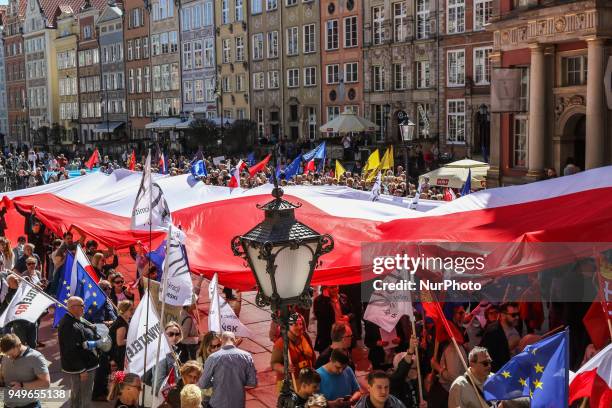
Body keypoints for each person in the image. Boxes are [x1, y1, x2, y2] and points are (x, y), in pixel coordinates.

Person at [58, 296, 103, 408]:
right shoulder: (68, 324)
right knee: (82, 397)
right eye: (82, 305)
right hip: (83, 368)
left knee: (79, 395)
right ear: (73, 308)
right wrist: (81, 369)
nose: (84, 308)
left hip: (87, 365)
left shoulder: (76, 319)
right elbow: (71, 350)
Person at [198, 331, 257, 408]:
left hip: (217, 403)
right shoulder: (247, 356)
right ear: (235, 340)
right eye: (213, 346)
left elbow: (203, 384)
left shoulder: (213, 358)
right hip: (238, 403)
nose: (216, 348)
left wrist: (218, 381)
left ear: (221, 341)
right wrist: (237, 380)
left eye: (218, 345)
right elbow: (252, 382)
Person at [0, 333, 51, 408]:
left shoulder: (36, 358)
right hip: (8, 405)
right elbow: (3, 375)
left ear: (19, 345)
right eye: (6, 355)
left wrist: (22, 385)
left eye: (11, 354)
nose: (9, 357)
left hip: (29, 405)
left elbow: (46, 383)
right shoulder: (6, 355)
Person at [271, 314, 316, 389]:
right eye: (295, 325)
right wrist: (285, 369)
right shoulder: (281, 343)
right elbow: (274, 364)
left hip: (306, 380)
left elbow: (313, 356)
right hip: (289, 384)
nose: (300, 327)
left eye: (301, 324)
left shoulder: (305, 336)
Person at [480, 302, 520, 372]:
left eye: (518, 314)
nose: (517, 317)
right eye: (513, 315)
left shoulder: (515, 326)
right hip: (502, 373)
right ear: (503, 315)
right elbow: (488, 357)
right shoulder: (493, 332)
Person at [314, 285, 352, 352]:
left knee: (344, 356)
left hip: (344, 334)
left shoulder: (343, 297)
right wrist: (326, 298)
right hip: (328, 335)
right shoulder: (319, 300)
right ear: (326, 289)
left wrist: (348, 316)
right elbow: (321, 317)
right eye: (332, 287)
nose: (335, 289)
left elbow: (352, 312)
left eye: (336, 286)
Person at [109, 300, 133, 371]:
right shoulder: (121, 324)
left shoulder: (122, 321)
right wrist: (133, 339)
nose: (133, 311)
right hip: (117, 356)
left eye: (133, 309)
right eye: (130, 309)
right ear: (124, 310)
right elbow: (120, 342)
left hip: (118, 354)